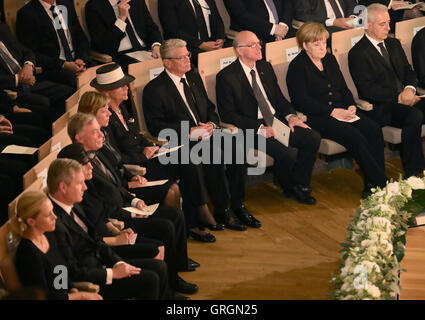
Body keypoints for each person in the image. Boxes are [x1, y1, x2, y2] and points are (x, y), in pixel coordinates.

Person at [87, 66, 226, 239]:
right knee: (186, 165)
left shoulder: (122, 108)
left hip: (150, 156)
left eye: (126, 84)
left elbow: (137, 136)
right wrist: (142, 155)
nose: (126, 88)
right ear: (107, 92)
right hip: (138, 166)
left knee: (188, 161)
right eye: (120, 86)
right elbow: (116, 157)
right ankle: (195, 219)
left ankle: (198, 213)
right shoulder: (105, 121)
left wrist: (151, 145)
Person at [66, 113, 199, 294]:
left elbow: (116, 182)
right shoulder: (79, 172)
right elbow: (100, 212)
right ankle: (171, 286)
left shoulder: (98, 153)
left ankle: (176, 272)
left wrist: (134, 199)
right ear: (79, 138)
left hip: (122, 210)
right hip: (118, 217)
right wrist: (125, 220)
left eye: (100, 131)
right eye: (95, 132)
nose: (102, 136)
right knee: (166, 227)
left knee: (174, 215)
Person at [143, 38, 262, 232]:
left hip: (208, 132)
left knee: (237, 147)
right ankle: (222, 209)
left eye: (188, 55)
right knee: (212, 154)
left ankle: (238, 204)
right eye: (181, 57)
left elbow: (209, 107)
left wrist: (212, 124)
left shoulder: (193, 78)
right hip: (183, 140)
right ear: (167, 62)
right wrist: (187, 131)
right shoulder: (154, 89)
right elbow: (155, 126)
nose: (187, 60)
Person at [216, 31, 321, 204]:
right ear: (240, 50)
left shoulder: (265, 68)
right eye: (253, 45)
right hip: (253, 129)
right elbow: (229, 114)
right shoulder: (227, 77)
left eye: (259, 43)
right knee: (286, 154)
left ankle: (301, 184)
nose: (259, 47)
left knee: (312, 137)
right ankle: (290, 187)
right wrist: (259, 128)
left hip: (275, 120)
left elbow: (279, 99)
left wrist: (291, 116)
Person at [286, 22, 387, 198]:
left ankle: (372, 182)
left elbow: (343, 88)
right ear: (305, 45)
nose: (322, 47)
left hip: (342, 111)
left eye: (324, 42)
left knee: (373, 129)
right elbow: (302, 101)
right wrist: (331, 112)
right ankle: (380, 183)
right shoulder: (297, 67)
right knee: (355, 137)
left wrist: (351, 105)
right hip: (317, 117)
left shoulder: (330, 59)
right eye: (316, 44)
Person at [47, 158, 172, 299]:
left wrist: (118, 263)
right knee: (151, 279)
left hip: (102, 262)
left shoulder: (73, 205)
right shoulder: (52, 222)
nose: (85, 187)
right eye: (80, 183)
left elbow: (96, 240)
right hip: (93, 280)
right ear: (63, 187)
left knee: (159, 268)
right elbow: (70, 270)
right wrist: (112, 273)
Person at [348, 3, 425, 178]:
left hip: (407, 96)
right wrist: (399, 97)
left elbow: (408, 71)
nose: (388, 27)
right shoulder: (358, 53)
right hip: (382, 107)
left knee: (416, 111)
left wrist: (409, 89)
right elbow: (368, 89)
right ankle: (414, 172)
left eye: (389, 22)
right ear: (368, 25)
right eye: (383, 24)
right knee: (414, 115)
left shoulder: (393, 43)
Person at [57, 143, 165, 261]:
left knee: (159, 246)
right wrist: (116, 239)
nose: (91, 167)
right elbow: (87, 238)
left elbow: (100, 215)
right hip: (104, 248)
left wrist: (117, 231)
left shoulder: (87, 185)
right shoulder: (75, 196)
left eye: (90, 162)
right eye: (85, 163)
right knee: (156, 249)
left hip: (111, 234)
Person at [10, 190, 103, 300]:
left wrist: (71, 289)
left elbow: (61, 268)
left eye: (53, 211)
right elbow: (43, 295)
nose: (55, 217)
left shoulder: (49, 235)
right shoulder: (28, 253)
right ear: (31, 221)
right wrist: (79, 295)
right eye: (48, 215)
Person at [0, 23, 73, 124]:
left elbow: (26, 51)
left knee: (67, 92)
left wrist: (28, 66)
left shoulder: (2, 28)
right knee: (44, 104)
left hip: (30, 79)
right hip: (11, 90)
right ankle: (55, 134)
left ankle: (67, 129)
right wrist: (18, 78)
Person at [16, 0, 94, 90]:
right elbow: (31, 53)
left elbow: (80, 38)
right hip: (53, 67)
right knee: (80, 83)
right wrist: (64, 64)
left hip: (77, 61)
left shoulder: (66, 4)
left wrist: (81, 58)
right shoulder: (27, 13)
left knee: (101, 74)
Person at [85, 0, 162, 72]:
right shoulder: (94, 6)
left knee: (168, 64)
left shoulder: (137, 1)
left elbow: (152, 29)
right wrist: (121, 18)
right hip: (119, 57)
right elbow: (105, 46)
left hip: (146, 51)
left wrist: (156, 45)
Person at [158, 0, 230, 65]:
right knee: (211, 59)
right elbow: (172, 30)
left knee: (234, 49)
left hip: (212, 42)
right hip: (187, 47)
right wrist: (200, 44)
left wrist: (220, 38)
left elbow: (217, 19)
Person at [224, 0, 295, 43]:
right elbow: (240, 15)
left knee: (299, 40)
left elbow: (288, 3)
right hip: (256, 33)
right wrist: (273, 29)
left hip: (283, 29)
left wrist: (283, 26)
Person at [293, 0, 359, 34]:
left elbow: (352, 4)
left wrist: (351, 17)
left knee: (367, 25)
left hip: (348, 22)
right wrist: (333, 22)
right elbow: (303, 15)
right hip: (324, 27)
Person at [358, 1, 424, 33]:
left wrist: (407, 2)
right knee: (413, 12)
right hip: (381, 11)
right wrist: (391, 3)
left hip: (403, 6)